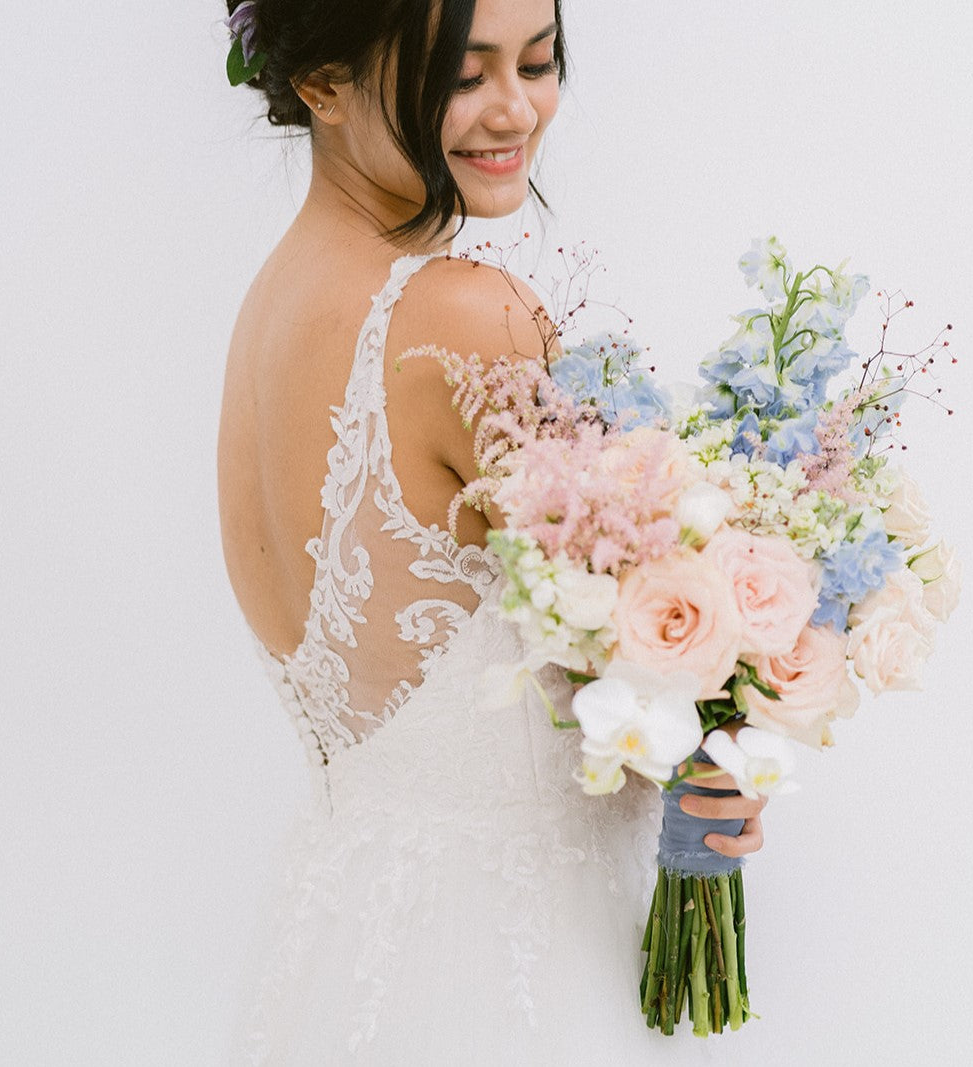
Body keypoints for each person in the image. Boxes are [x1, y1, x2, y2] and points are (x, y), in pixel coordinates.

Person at [217, 0, 765, 1061]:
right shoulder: (465, 319)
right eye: (464, 76)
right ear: (320, 86)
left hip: (341, 944)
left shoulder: (268, 307)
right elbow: (646, 658)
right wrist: (726, 734)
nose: (515, 109)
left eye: (539, 60)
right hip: (519, 967)